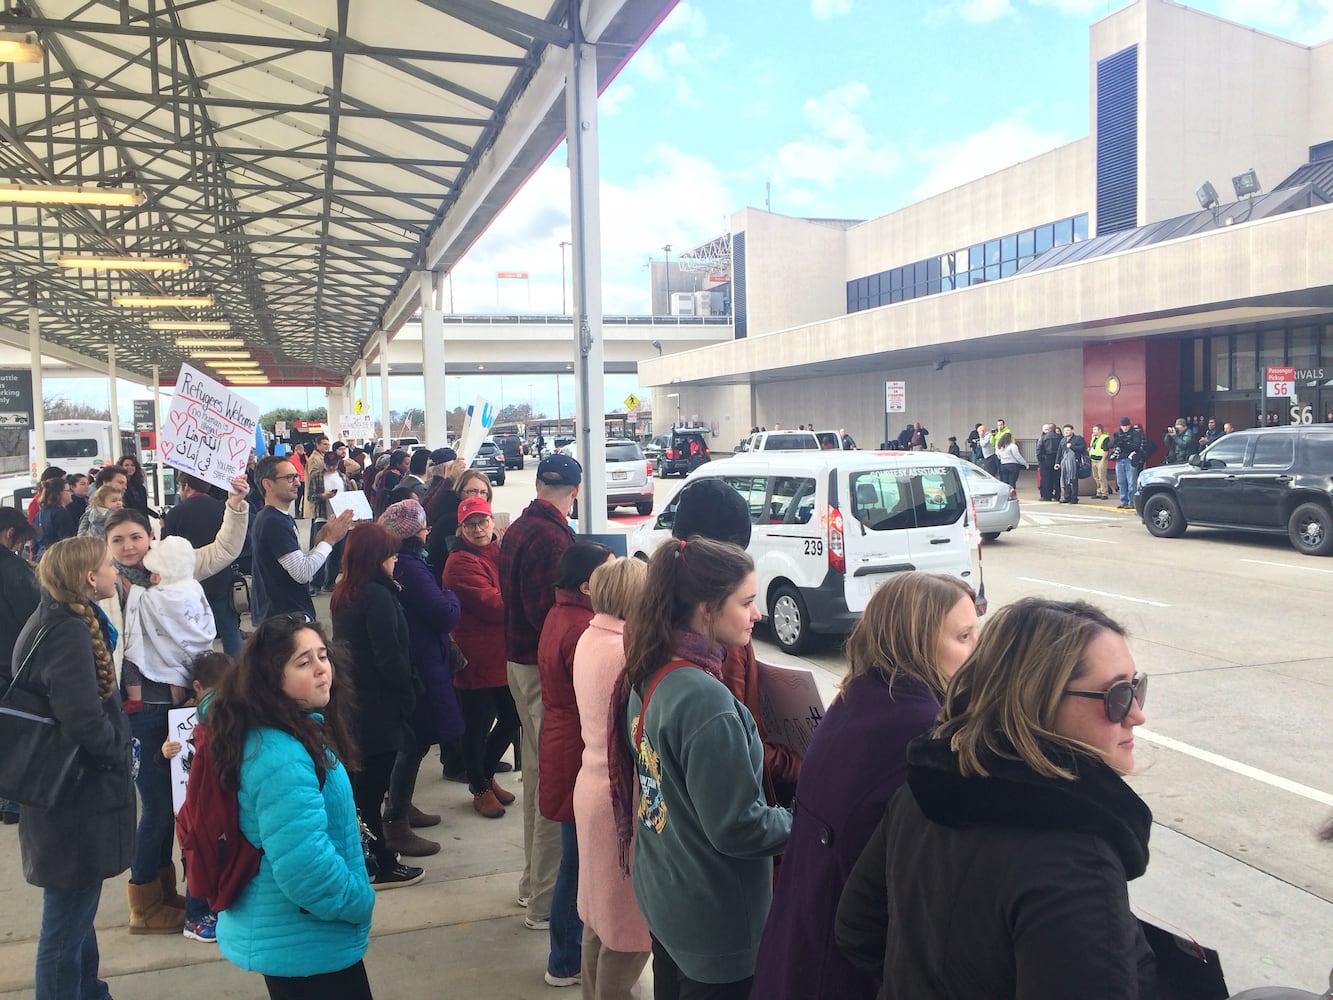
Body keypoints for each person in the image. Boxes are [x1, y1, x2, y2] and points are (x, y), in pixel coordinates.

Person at [835, 597, 1154, 999]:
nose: (1136, 714)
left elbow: (857, 928)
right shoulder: (1075, 860)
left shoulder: (923, 792)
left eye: (1137, 687)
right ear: (1038, 700)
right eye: (1119, 695)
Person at [752, 572, 978, 1000]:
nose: (977, 653)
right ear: (915, 639)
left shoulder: (861, 695)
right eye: (964, 636)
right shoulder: (921, 733)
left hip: (800, 942)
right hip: (842, 966)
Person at [611, 537, 792, 998]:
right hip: (714, 922)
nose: (758, 614)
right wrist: (804, 819)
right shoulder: (706, 702)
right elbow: (739, 829)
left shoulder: (650, 667)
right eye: (748, 602)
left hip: (668, 894)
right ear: (707, 609)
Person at [99, 475, 249, 935]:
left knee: (186, 807)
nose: (128, 547)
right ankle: (143, 901)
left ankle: (167, 894)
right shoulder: (105, 586)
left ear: (151, 538)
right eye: (118, 539)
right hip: (139, 711)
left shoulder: (174, 568)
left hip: (186, 708)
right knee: (160, 807)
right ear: (105, 545)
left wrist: (237, 504)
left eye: (136, 537)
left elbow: (223, 550)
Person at [207, 614, 377, 998]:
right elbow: (304, 867)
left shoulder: (292, 728)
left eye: (322, 656)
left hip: (301, 936)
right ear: (272, 679)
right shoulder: (280, 754)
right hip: (306, 941)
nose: (322, 670)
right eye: (304, 662)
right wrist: (358, 900)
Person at [16, 536, 134, 1000]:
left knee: (76, 915)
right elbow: (83, 718)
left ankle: (91, 991)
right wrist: (116, 754)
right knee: (65, 925)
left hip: (65, 794)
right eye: (109, 564)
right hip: (74, 796)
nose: (115, 571)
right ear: (88, 578)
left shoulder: (60, 618)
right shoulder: (66, 629)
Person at [499, 453, 581, 930]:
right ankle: (546, 902)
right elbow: (543, 614)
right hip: (541, 671)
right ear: (574, 492)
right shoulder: (553, 539)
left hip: (519, 664)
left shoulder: (521, 528)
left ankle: (533, 884)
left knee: (536, 777)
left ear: (536, 483)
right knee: (554, 784)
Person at [572, 557, 651, 1000]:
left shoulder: (590, 637)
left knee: (598, 918)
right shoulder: (627, 653)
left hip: (592, 787)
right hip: (622, 801)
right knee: (627, 931)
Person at [330, 522, 425, 890]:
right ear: (375, 558)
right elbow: (390, 657)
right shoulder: (377, 596)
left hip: (357, 705)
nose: (395, 560)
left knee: (361, 788)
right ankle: (379, 863)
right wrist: (408, 695)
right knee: (370, 792)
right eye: (390, 554)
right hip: (378, 709)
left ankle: (370, 856)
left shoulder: (347, 591)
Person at [539, 541, 616, 989]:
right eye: (609, 571)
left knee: (575, 857)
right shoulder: (583, 627)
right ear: (588, 584)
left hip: (564, 742)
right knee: (577, 861)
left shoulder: (562, 613)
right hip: (575, 749)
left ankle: (564, 953)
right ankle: (565, 957)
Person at [379, 498, 463, 858]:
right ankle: (396, 819)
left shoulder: (403, 564)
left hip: (421, 659)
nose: (429, 530)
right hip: (423, 662)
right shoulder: (412, 568)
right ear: (415, 533)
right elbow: (444, 613)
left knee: (414, 741)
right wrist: (451, 594)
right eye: (424, 526)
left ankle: (402, 804)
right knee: (413, 743)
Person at [443, 495, 520, 819]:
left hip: (501, 655)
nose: (478, 529)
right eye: (470, 524)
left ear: (492, 521)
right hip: (475, 658)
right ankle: (479, 786)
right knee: (476, 726)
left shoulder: (497, 550)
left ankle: (486, 775)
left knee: (512, 717)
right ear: (461, 528)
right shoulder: (460, 562)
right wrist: (521, 596)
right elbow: (495, 604)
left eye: (482, 521)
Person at [159, 650, 233, 943]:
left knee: (212, 855)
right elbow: (166, 750)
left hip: (212, 801)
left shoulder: (225, 714)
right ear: (198, 687)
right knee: (197, 856)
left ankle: (211, 908)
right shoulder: (186, 717)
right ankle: (195, 915)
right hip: (193, 805)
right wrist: (166, 751)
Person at [250, 455, 353, 624]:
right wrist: (330, 540)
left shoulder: (281, 518)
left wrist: (322, 540)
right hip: (283, 618)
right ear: (267, 484)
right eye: (289, 478)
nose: (297, 482)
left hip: (285, 614)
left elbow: (298, 564)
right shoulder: (273, 521)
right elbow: (302, 573)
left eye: (296, 476)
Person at [123, 536, 217, 707]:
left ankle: (134, 698)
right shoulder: (194, 587)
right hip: (195, 659)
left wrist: (133, 590)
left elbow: (142, 600)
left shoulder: (155, 597)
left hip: (160, 679)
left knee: (132, 656)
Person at [163, 473, 243, 656]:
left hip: (190, 580)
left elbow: (167, 548)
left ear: (186, 486)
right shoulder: (223, 508)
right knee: (230, 631)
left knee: (195, 633)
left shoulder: (176, 513)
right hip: (222, 576)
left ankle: (204, 675)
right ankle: (238, 674)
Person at [0, 508, 40, 825]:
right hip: (10, 664)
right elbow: (34, 617)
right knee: (16, 732)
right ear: (10, 534)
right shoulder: (14, 569)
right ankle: (13, 802)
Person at [32, 474, 78, 561]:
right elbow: (68, 544)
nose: (71, 493)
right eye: (68, 490)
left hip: (42, 559)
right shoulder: (62, 514)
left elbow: (34, 544)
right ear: (60, 493)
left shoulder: (39, 514)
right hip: (58, 561)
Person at [1057, 423, 1087, 504]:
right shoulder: (1062, 440)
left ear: (1072, 430)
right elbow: (1059, 452)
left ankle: (1074, 498)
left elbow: (1082, 448)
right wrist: (1057, 462)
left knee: (1073, 479)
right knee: (1065, 479)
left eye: (1068, 430)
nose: (1066, 432)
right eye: (1065, 430)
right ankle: (1067, 497)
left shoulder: (1078, 439)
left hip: (1074, 462)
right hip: (1064, 463)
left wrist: (1072, 446)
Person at [1035, 422, 1061, 501]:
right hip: (1057, 459)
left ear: (1049, 429)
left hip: (1046, 460)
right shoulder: (1060, 437)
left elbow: (1038, 450)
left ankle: (1047, 496)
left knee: (1046, 478)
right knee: (1057, 479)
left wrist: (1041, 461)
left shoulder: (1043, 438)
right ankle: (1057, 495)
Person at [1087, 422, 1111, 499]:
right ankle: (1099, 492)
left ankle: (1104, 493)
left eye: (1095, 429)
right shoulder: (1094, 437)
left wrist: (1103, 460)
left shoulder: (1105, 438)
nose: (1093, 431)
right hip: (1093, 459)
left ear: (1100, 430)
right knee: (1096, 477)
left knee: (1102, 477)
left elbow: (1106, 450)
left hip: (1101, 460)